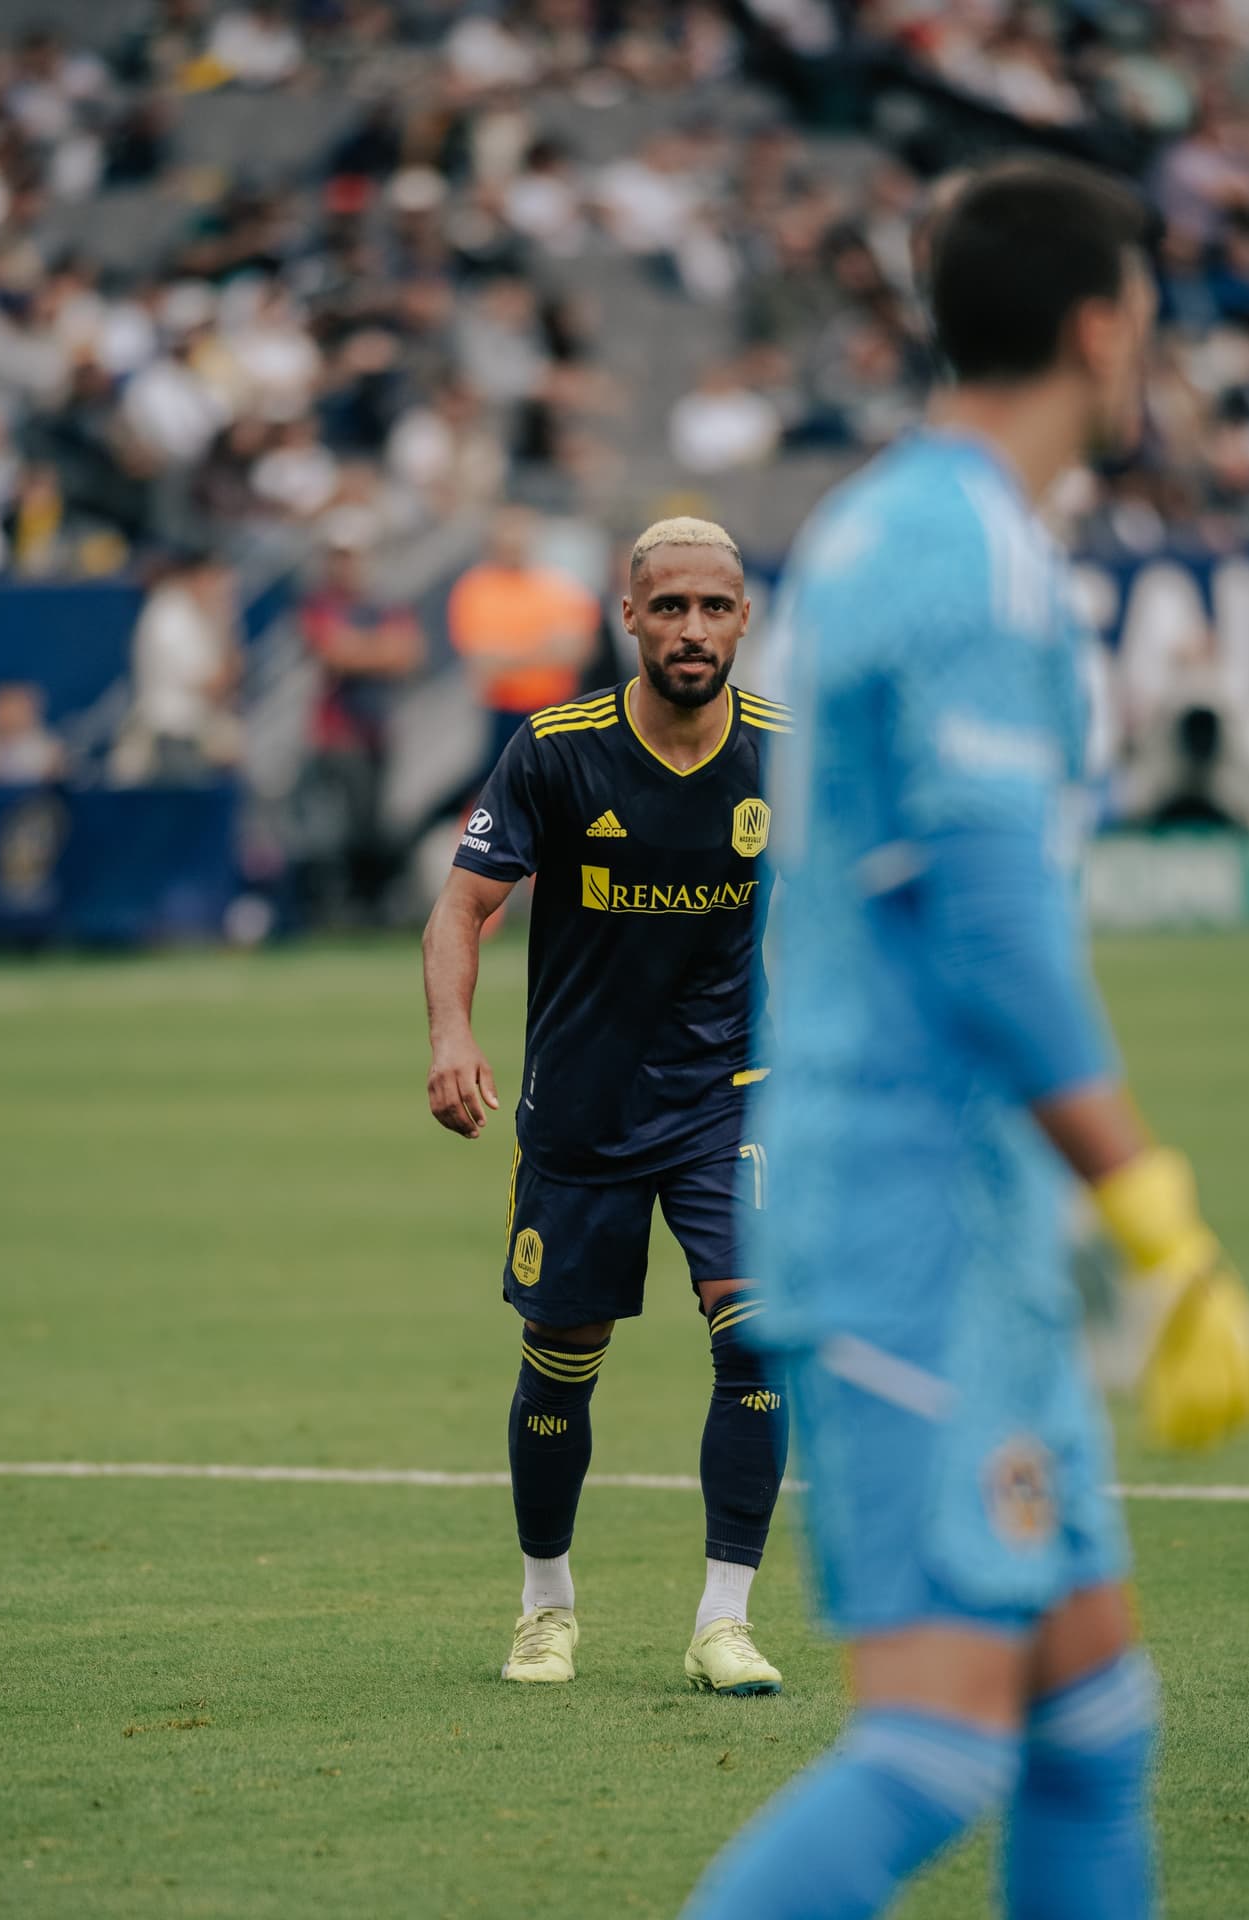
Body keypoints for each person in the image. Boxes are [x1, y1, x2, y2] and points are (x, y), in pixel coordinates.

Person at [682, 160, 1249, 1920]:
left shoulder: (885, 524)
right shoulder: (969, 557)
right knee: (937, 1749)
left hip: (981, 1224)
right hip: (913, 1219)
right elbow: (997, 934)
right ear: (1102, 328)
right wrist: (1152, 1206)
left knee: (1093, 1722)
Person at [423, 516, 792, 1694]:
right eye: (670, 607)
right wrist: (448, 1036)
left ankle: (722, 1621)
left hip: (728, 1096)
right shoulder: (553, 748)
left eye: (715, 607)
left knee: (756, 1334)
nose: (692, 629)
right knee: (561, 1351)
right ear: (627, 617)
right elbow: (462, 906)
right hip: (581, 1102)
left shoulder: (789, 755)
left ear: (745, 619)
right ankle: (545, 1607)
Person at [296, 516, 424, 919]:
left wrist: (361, 650)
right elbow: (336, 653)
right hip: (339, 732)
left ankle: (367, 906)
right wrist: (377, 650)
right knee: (343, 826)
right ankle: (346, 907)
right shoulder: (320, 604)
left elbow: (407, 654)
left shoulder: (381, 604)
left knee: (373, 822)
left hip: (376, 729)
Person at [446, 505, 601, 776]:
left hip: (556, 709)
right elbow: (484, 663)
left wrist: (512, 656)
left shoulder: (559, 587)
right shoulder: (477, 588)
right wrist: (545, 652)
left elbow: (580, 651)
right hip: (502, 710)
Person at [122, 549, 242, 782]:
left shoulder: (194, 614)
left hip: (190, 737)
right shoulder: (171, 616)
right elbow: (215, 684)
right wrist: (226, 621)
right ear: (201, 576)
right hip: (173, 740)